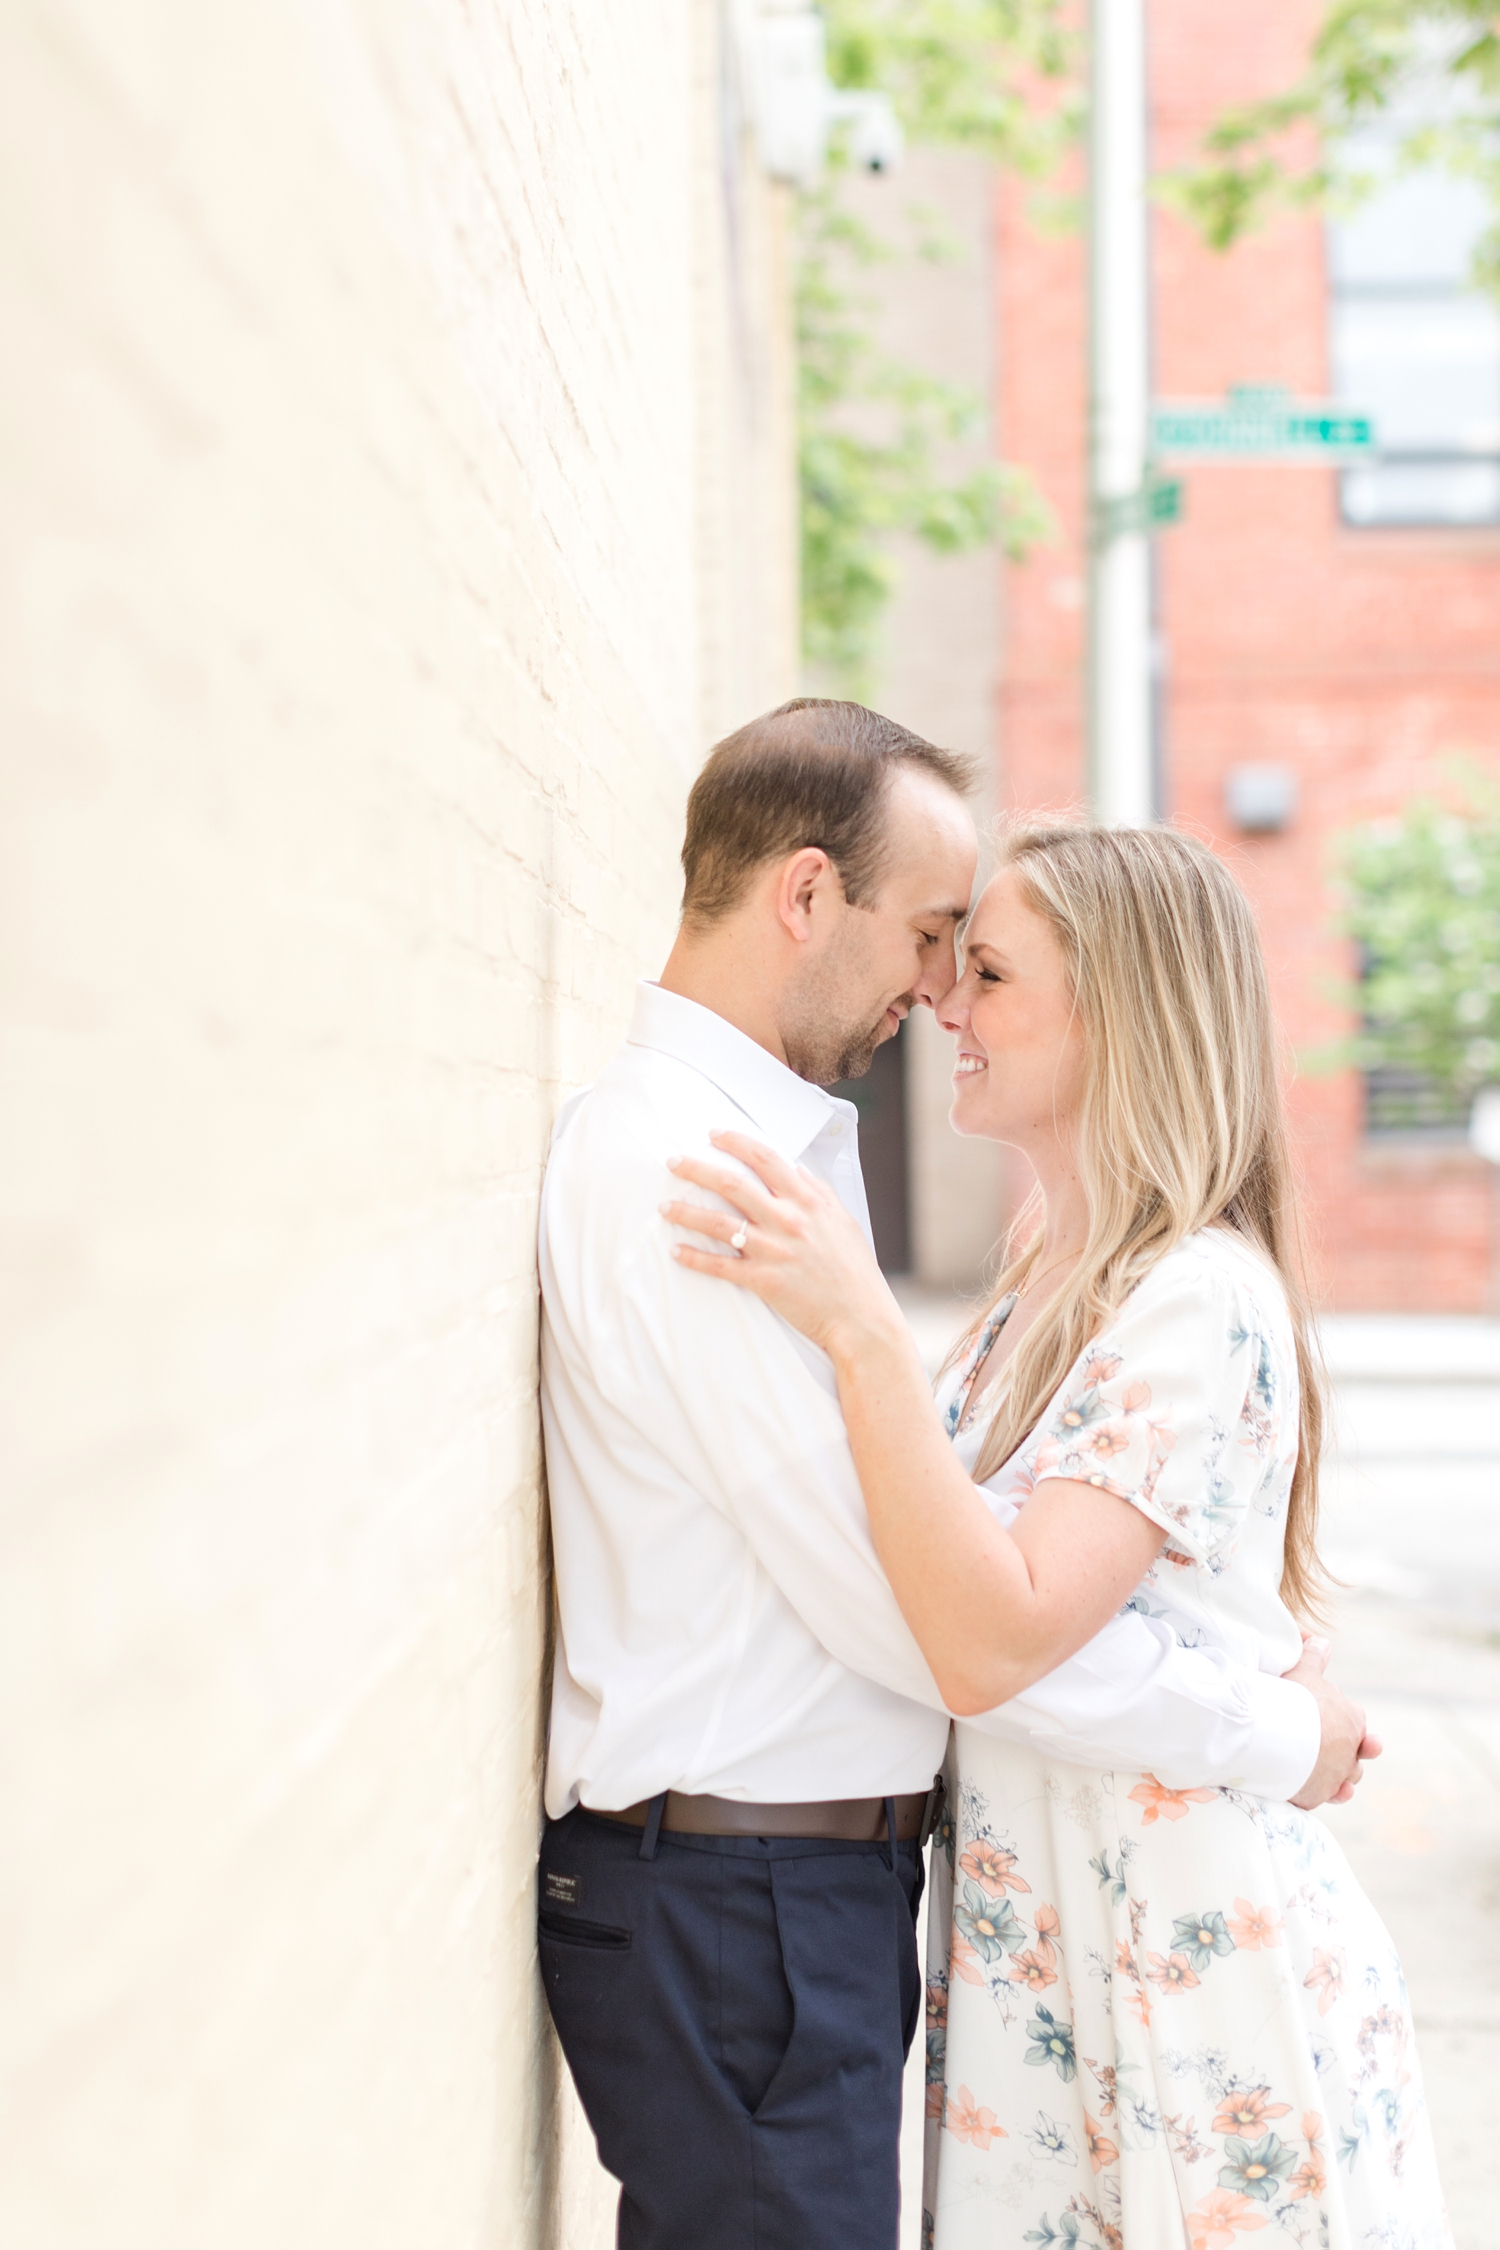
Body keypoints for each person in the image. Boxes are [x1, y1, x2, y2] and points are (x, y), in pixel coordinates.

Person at [539, 703, 1372, 2250]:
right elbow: (946, 1616)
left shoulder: (820, 1187)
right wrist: (1273, 1723)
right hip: (753, 1900)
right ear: (805, 896)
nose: (940, 996)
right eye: (940, 940)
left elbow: (965, 1571)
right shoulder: (702, 1179)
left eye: (980, 966)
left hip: (929, 1915)